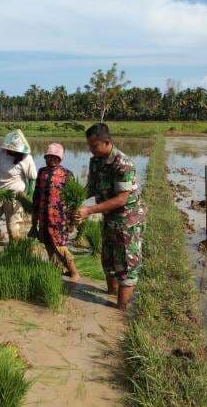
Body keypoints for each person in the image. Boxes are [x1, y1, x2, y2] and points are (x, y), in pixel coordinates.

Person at [76, 123, 146, 310]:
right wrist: (76, 199)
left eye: (94, 145)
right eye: (89, 145)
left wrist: (89, 210)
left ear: (107, 142)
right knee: (108, 261)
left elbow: (121, 199)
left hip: (126, 221)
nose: (91, 150)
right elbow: (92, 187)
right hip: (108, 219)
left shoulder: (122, 163)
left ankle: (120, 310)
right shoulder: (95, 161)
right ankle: (110, 296)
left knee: (126, 266)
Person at [29, 143, 80, 281]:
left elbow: (73, 199)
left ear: (59, 158)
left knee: (59, 246)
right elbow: (37, 193)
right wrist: (34, 216)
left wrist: (72, 220)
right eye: (48, 157)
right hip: (43, 215)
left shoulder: (66, 174)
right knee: (47, 243)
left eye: (54, 157)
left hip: (58, 219)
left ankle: (74, 272)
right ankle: (56, 271)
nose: (50, 159)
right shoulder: (41, 172)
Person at [0, 129, 37, 242]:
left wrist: (27, 197)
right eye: (8, 148)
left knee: (13, 231)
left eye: (11, 150)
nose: (8, 151)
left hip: (15, 196)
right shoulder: (1, 152)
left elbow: (32, 179)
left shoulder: (26, 158)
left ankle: (14, 252)